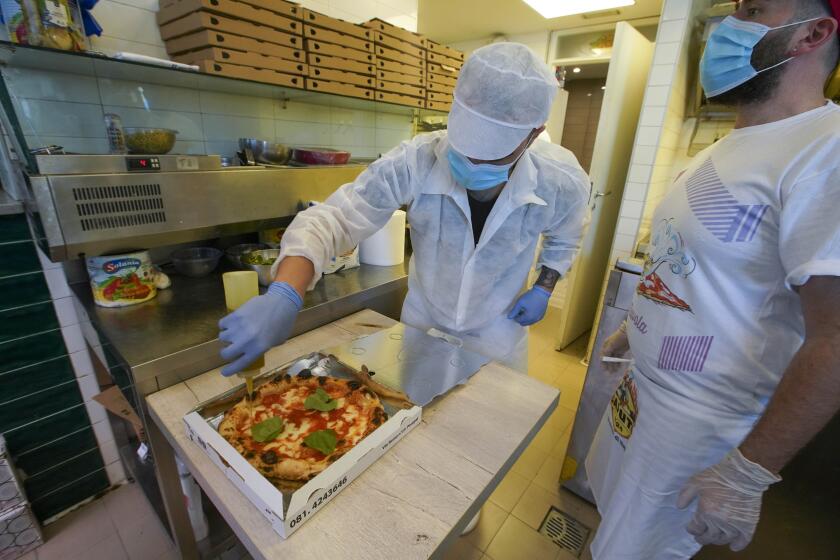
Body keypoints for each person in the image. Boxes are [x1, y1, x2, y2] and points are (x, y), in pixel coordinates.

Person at [592, 0, 840, 557]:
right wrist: (634, 329)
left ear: (814, 33)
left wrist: (749, 472)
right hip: (642, 399)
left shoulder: (826, 151)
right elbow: (694, 274)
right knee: (608, 530)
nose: (728, 28)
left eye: (753, 9)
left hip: (697, 428)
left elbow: (837, 336)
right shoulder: (725, 148)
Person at [218, 42, 590, 377]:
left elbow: (566, 237)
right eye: (464, 144)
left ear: (533, 135)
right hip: (421, 331)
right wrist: (285, 292)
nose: (471, 160)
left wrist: (544, 285)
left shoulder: (560, 180)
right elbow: (337, 217)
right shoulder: (418, 160)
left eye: (489, 151)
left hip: (498, 337)